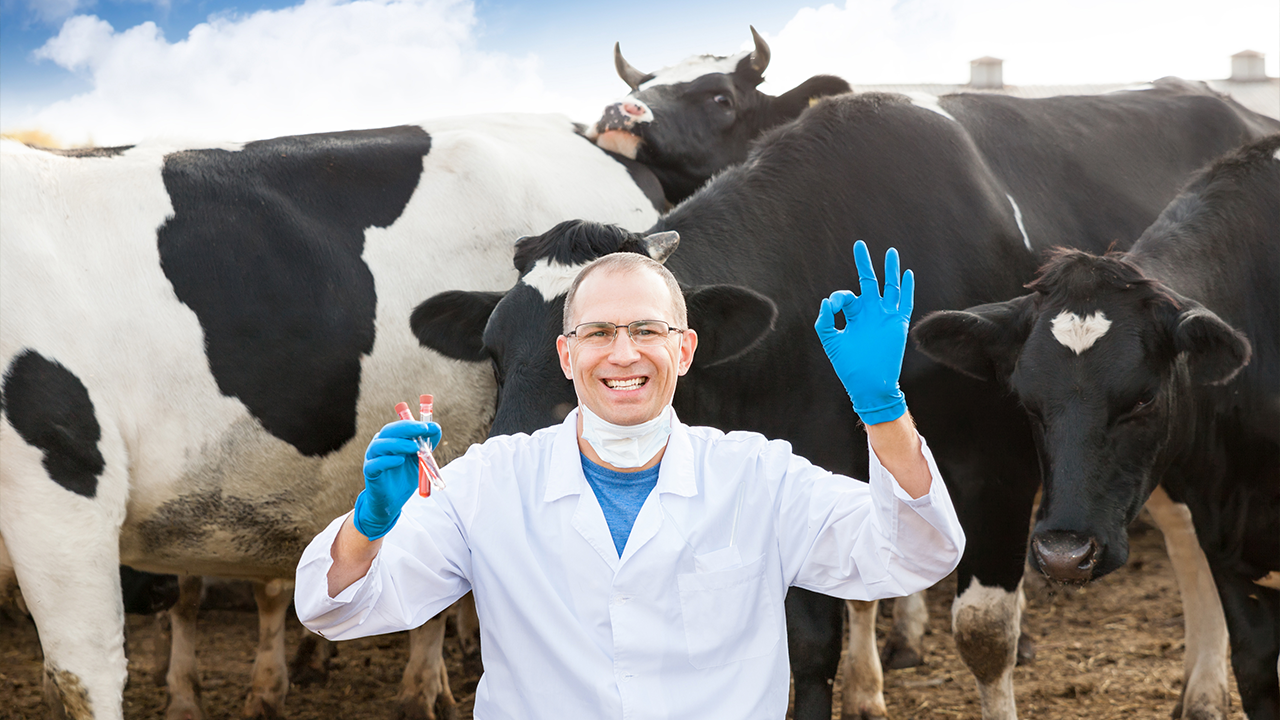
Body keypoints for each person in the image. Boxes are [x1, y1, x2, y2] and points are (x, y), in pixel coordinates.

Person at [294, 240, 964, 718]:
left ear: (685, 348)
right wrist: (366, 528)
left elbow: (912, 554)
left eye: (648, 329)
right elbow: (341, 609)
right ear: (565, 353)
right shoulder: (489, 484)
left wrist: (884, 409)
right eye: (599, 333)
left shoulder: (758, 475)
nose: (623, 354)